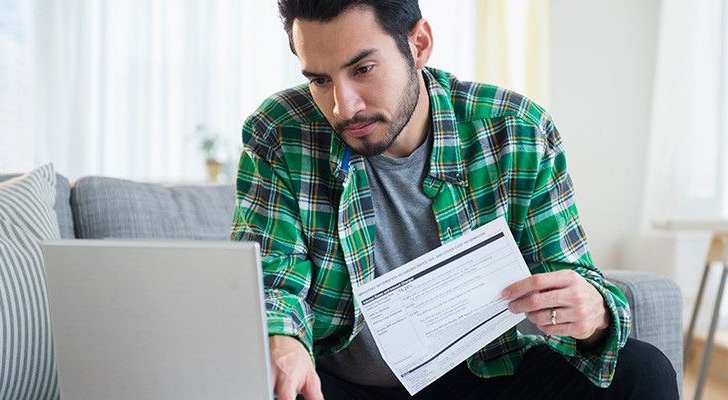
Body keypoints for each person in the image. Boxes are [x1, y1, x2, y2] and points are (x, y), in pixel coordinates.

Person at [231, 1, 678, 399]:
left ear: (419, 44)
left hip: (480, 377)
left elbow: (570, 274)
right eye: (320, 80)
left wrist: (593, 314)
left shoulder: (515, 130)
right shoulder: (280, 132)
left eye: (363, 69)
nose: (343, 107)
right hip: (340, 384)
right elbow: (272, 281)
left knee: (643, 371)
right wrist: (282, 340)